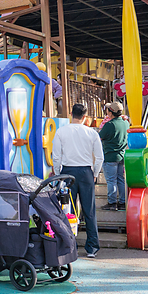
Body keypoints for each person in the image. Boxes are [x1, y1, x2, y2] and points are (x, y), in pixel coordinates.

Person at [52, 103, 104, 258]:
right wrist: (94, 173)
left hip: (67, 172)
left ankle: (69, 246)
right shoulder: (92, 133)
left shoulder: (61, 131)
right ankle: (92, 248)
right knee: (89, 210)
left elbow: (56, 156)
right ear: (85, 117)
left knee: (68, 210)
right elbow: (100, 157)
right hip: (86, 172)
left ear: (70, 114)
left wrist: (58, 172)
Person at [98, 102, 129, 211]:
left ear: (110, 112)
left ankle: (112, 203)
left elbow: (99, 138)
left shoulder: (109, 125)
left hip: (110, 156)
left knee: (111, 181)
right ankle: (122, 202)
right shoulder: (126, 123)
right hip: (121, 156)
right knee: (120, 179)